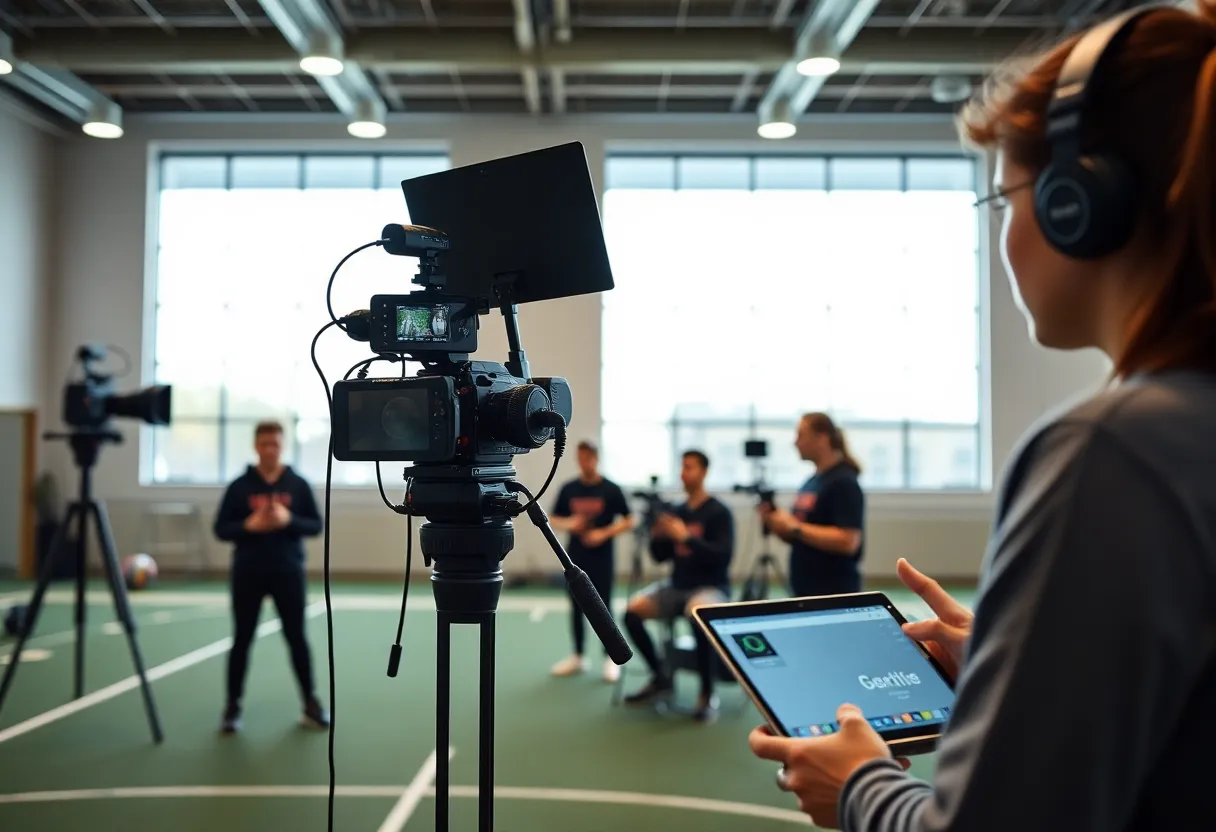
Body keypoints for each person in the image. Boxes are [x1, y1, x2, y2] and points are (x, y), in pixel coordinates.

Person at [746, 3, 1216, 829]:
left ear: (1080, 201)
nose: (1002, 234)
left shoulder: (1113, 450)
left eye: (1004, 199)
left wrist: (860, 788)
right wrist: (1032, 667)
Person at [213, 420, 329, 734]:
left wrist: (288, 519)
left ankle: (310, 703)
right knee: (242, 640)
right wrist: (247, 526)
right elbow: (221, 529)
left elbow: (316, 525)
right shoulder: (240, 486)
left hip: (288, 573)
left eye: (274, 444)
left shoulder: (297, 484)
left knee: (297, 640)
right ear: (256, 446)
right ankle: (232, 707)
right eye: (264, 444)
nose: (269, 450)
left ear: (282, 446)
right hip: (247, 573)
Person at [622, 450, 735, 722]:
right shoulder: (677, 511)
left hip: (710, 586)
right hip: (677, 585)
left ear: (704, 472)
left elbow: (722, 557)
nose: (684, 473)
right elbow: (660, 556)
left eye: (690, 468)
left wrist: (686, 538)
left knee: (698, 614)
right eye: (682, 468)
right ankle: (661, 676)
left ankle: (707, 693)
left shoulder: (719, 512)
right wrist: (658, 536)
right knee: (632, 611)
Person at [548, 440, 635, 682]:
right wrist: (571, 524)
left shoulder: (611, 489)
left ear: (596, 458)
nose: (584, 463)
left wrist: (604, 533)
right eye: (580, 458)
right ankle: (577, 655)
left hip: (602, 558)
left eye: (588, 458)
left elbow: (629, 520)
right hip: (574, 558)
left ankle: (610, 657)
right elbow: (553, 518)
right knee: (576, 606)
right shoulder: (569, 489)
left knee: (604, 605)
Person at [760, 412, 866, 596]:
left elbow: (848, 541)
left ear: (822, 438)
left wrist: (795, 527)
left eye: (801, 435)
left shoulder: (843, 481)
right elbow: (799, 535)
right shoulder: (812, 482)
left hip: (833, 592)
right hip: (806, 589)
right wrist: (777, 522)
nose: (795, 443)